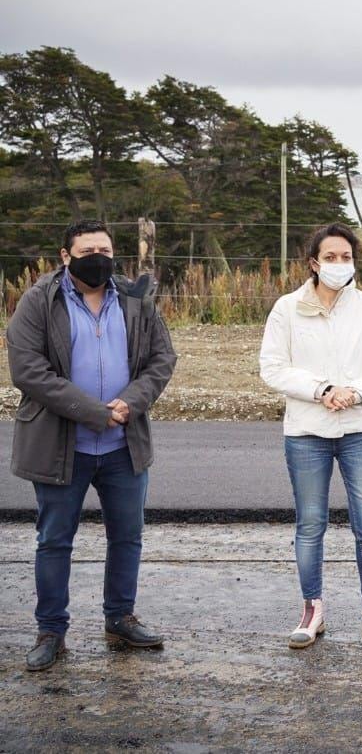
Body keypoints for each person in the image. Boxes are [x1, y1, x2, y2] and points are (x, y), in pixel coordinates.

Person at [7, 221, 177, 672]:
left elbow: (163, 358)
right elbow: (28, 371)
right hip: (62, 447)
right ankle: (51, 631)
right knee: (54, 540)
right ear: (66, 256)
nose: (98, 256)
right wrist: (96, 412)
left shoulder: (136, 301)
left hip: (125, 446)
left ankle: (119, 618)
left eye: (104, 248)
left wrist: (132, 403)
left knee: (127, 537)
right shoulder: (39, 301)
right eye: (87, 249)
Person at [259, 222, 362, 649]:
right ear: (313, 263)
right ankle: (312, 610)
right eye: (330, 257)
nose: (338, 264)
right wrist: (321, 390)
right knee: (311, 523)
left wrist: (357, 393)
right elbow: (273, 367)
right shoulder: (287, 309)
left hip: (360, 429)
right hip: (307, 431)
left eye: (346, 257)